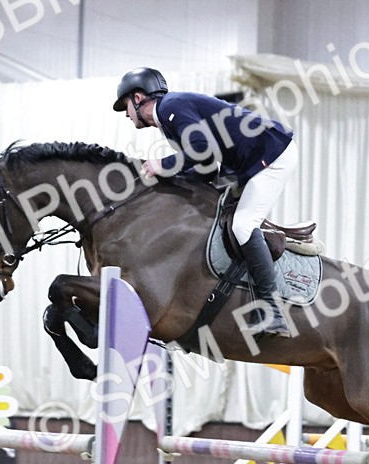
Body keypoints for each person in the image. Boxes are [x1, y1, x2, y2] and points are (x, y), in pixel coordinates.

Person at [113, 67, 295, 337]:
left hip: (272, 154)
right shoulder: (169, 120)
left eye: (125, 106)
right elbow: (208, 169)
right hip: (251, 163)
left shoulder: (170, 107)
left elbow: (200, 150)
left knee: (243, 226)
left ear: (138, 98)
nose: (126, 114)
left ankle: (274, 312)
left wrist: (162, 164)